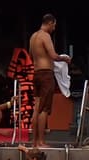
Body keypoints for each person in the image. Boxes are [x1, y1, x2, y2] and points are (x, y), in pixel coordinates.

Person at [28, 13, 71, 147]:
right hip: (46, 74)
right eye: (54, 25)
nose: (54, 28)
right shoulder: (45, 36)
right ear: (50, 23)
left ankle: (34, 142)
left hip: (36, 73)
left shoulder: (33, 37)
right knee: (44, 109)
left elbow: (31, 54)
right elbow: (53, 55)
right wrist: (65, 59)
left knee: (36, 108)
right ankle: (41, 141)